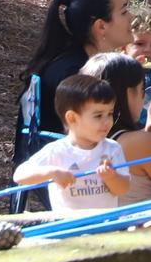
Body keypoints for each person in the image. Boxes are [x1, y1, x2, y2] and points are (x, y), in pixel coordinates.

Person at [83, 52, 151, 200]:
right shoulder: (141, 143)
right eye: (142, 91)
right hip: (148, 222)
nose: (143, 98)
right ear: (128, 94)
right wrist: (148, 139)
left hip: (99, 222)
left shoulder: (74, 144)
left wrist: (150, 134)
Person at [13, 76, 129, 214]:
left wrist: (112, 177)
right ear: (72, 118)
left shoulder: (112, 149)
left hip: (105, 225)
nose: (107, 121)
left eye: (110, 114)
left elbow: (123, 189)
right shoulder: (56, 151)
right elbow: (20, 175)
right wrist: (52, 172)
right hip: (70, 226)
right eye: (98, 116)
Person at [23, 0, 135, 107]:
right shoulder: (75, 76)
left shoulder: (76, 64)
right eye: (124, 12)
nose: (132, 17)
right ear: (101, 26)